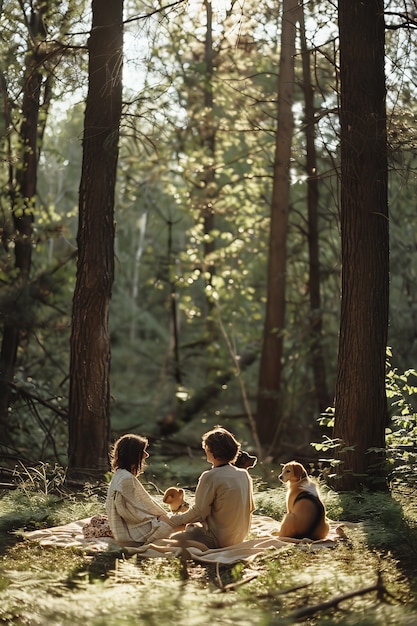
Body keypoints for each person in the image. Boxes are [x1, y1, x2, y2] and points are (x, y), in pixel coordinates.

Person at [168, 426, 255, 549]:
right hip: (240, 537)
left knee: (173, 538)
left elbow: (198, 513)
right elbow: (250, 508)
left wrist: (172, 519)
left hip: (219, 540)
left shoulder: (210, 476)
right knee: (189, 527)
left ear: (210, 449)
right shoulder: (243, 474)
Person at [105, 433, 181, 546]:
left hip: (131, 529)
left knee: (174, 519)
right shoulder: (126, 479)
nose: (146, 455)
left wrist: (160, 515)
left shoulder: (120, 474)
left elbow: (136, 508)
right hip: (135, 533)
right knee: (182, 525)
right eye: (143, 451)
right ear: (133, 454)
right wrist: (160, 517)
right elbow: (134, 512)